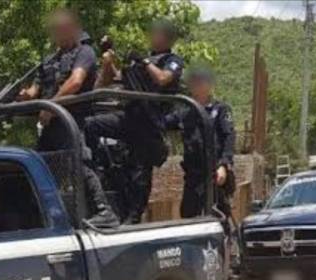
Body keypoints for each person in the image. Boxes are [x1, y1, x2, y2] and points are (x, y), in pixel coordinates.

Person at [17, 8, 119, 228]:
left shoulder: (84, 52)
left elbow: (75, 82)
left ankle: (105, 212)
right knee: (41, 165)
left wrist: (52, 106)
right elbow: (35, 89)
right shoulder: (49, 60)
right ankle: (42, 216)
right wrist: (25, 95)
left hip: (73, 120)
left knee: (78, 163)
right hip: (51, 124)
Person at [87, 18, 185, 224]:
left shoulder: (172, 59)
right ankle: (94, 173)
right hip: (128, 116)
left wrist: (145, 61)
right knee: (89, 125)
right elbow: (117, 79)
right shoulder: (141, 59)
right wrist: (109, 57)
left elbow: (163, 79)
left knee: (140, 172)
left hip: (149, 121)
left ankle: (133, 217)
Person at [165, 67, 236, 218]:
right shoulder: (184, 112)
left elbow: (229, 137)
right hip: (193, 176)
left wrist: (224, 165)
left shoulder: (220, 110)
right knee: (188, 216)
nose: (197, 85)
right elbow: (163, 123)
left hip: (214, 174)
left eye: (201, 81)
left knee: (219, 217)